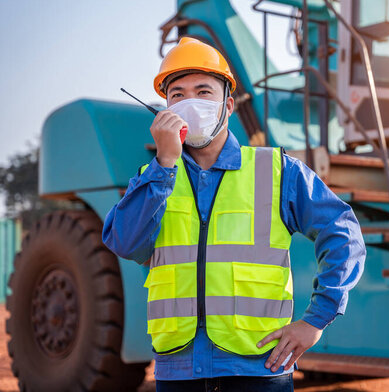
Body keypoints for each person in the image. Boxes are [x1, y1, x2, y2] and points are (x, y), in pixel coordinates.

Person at [102, 37, 366, 392]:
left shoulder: (276, 171)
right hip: (178, 373)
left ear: (227, 105)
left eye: (203, 91)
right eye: (177, 94)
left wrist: (315, 321)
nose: (190, 102)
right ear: (163, 108)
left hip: (258, 373)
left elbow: (343, 234)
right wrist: (164, 164)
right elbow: (123, 242)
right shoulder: (154, 179)